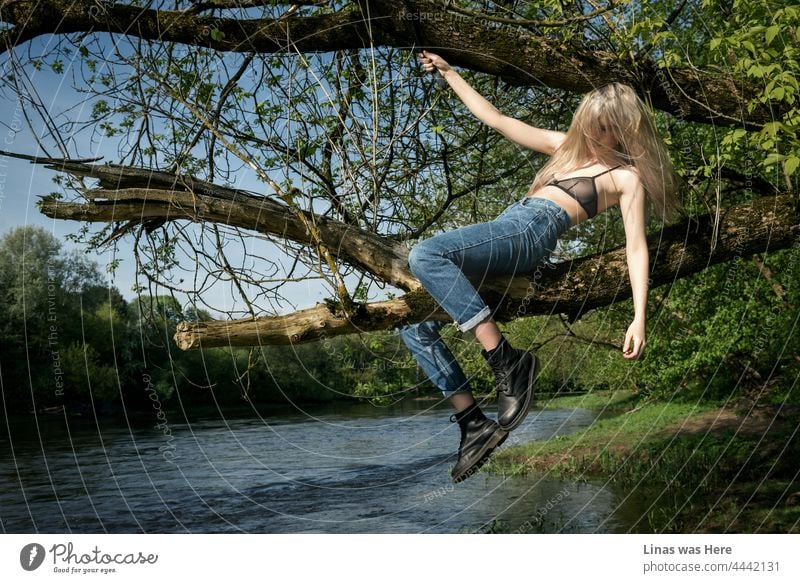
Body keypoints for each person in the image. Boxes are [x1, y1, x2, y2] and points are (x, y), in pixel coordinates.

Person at [400, 51, 680, 483]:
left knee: (425, 255)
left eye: (603, 125)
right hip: (505, 229)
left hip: (529, 234)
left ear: (622, 128)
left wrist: (639, 318)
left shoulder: (626, 177)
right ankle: (473, 423)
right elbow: (494, 118)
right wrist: (450, 72)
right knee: (413, 326)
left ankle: (506, 359)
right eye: (589, 120)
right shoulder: (564, 148)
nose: (592, 129)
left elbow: (636, 248)